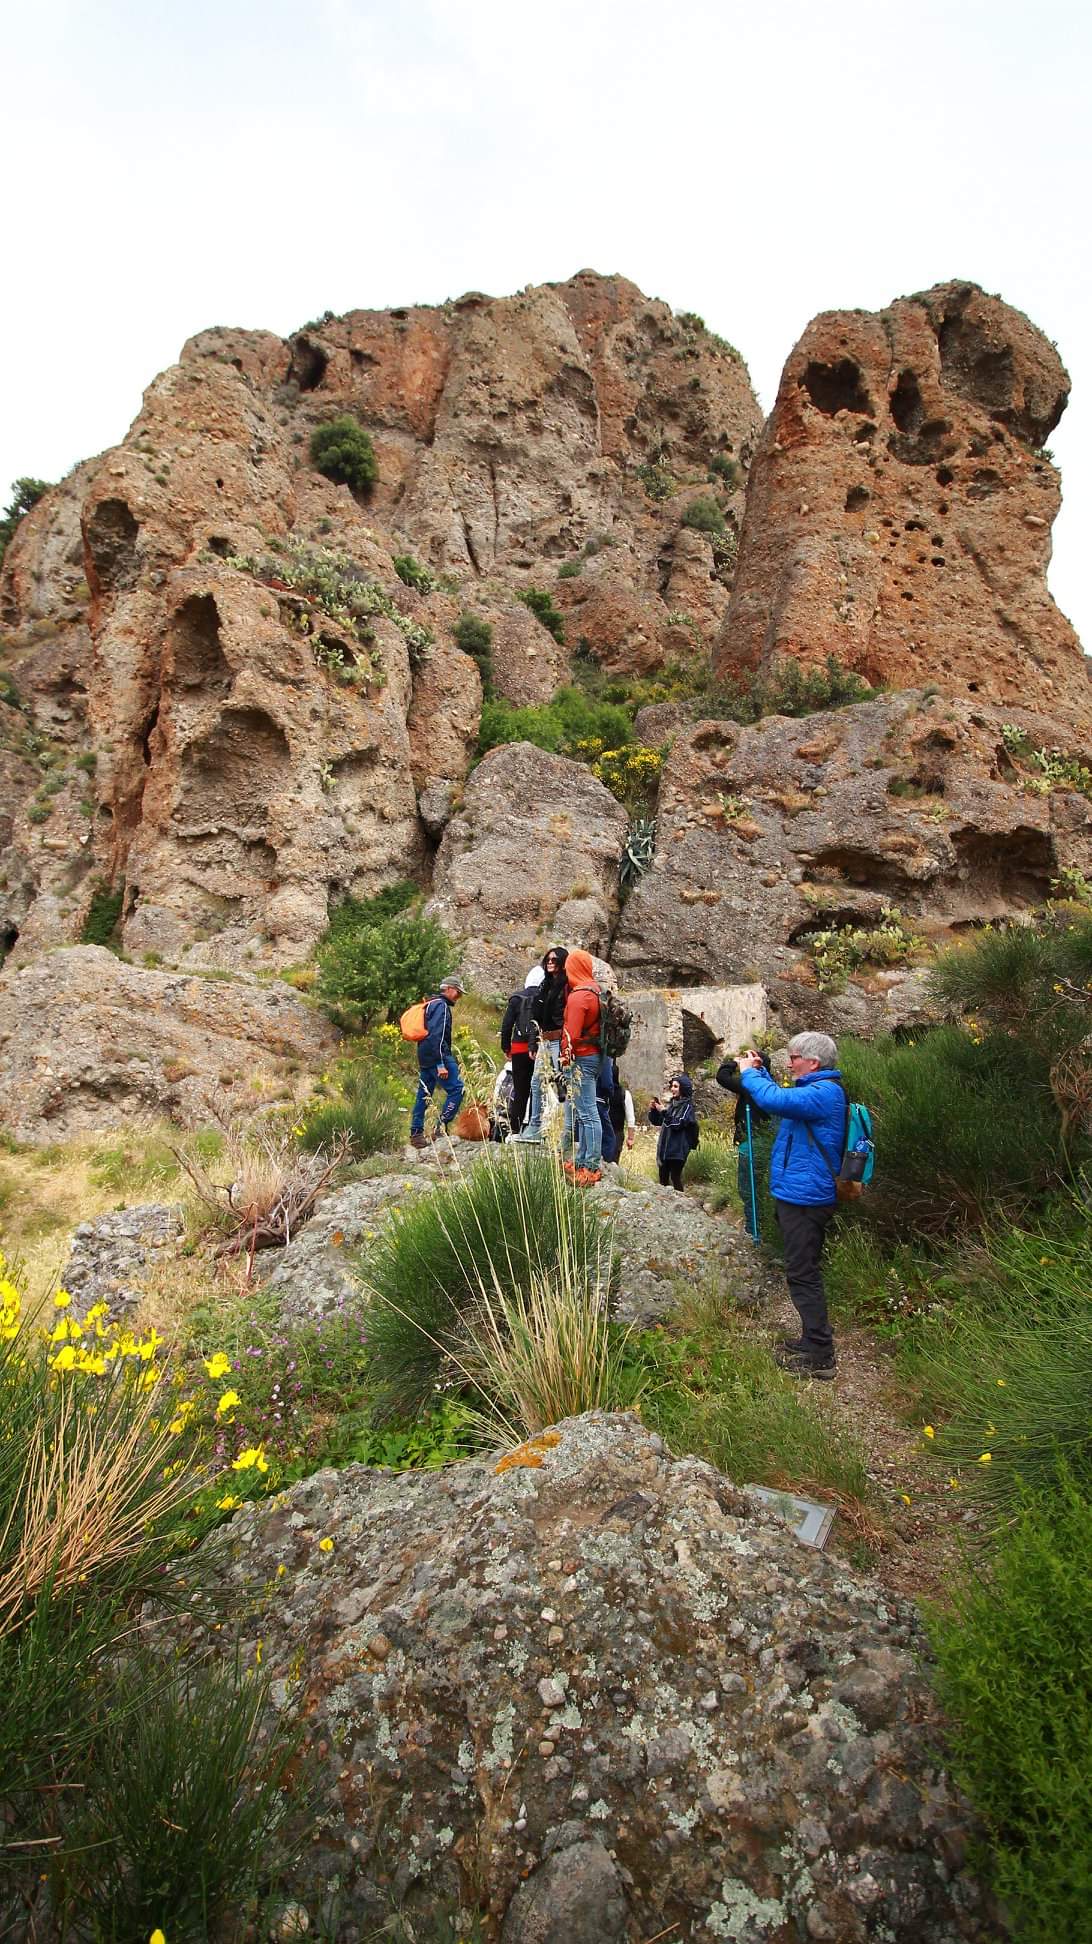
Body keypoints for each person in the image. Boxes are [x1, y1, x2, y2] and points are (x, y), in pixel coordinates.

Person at [737, 1031, 845, 1378]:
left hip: (807, 1199)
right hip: (798, 1195)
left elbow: (773, 1102)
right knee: (801, 1269)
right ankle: (811, 1340)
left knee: (803, 1273)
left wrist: (750, 1073)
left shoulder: (824, 1094)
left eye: (794, 1056)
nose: (790, 1062)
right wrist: (761, 1073)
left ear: (812, 1062)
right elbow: (780, 1097)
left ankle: (820, 1353)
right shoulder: (813, 1092)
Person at [558, 948, 603, 1184]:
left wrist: (564, 1058)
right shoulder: (597, 991)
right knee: (586, 1112)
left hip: (581, 1058)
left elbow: (571, 1034)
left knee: (587, 1114)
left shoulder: (578, 997)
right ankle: (582, 1160)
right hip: (594, 1056)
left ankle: (591, 1166)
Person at [517, 946, 568, 1143]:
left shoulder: (566, 987)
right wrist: (533, 1044)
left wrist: (565, 1045)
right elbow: (535, 1019)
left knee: (564, 1085)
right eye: (548, 959)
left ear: (562, 962)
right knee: (536, 1083)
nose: (550, 962)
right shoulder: (544, 986)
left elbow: (567, 1018)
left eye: (554, 960)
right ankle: (535, 1126)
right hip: (545, 1041)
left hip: (559, 1041)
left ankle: (567, 1132)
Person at [409, 976, 465, 1149]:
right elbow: (437, 1035)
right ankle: (440, 1128)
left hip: (425, 1054)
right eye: (458, 992)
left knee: (424, 1094)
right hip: (437, 1055)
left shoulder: (430, 1003)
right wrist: (441, 1063)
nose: (458, 996)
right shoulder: (441, 1006)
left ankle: (416, 1133)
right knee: (457, 1089)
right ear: (448, 989)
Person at [500, 965, 544, 1139]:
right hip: (539, 1049)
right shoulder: (544, 997)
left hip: (518, 1048)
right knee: (537, 1089)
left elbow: (506, 1026)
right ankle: (534, 1129)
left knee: (520, 1090)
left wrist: (506, 1047)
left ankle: (514, 1130)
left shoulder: (516, 998)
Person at [648, 1074, 699, 1190]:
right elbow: (659, 1121)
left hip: (678, 1150)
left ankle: (681, 1204)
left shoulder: (687, 1107)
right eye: (672, 1086)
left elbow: (678, 1124)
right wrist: (654, 1110)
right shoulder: (672, 1105)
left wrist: (664, 1112)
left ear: (683, 1088)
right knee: (663, 1179)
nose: (672, 1089)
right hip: (666, 1148)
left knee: (675, 1178)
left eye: (676, 1086)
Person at [608, 1068, 637, 1157]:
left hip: (606, 1132)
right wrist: (630, 1138)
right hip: (617, 1133)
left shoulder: (600, 1092)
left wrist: (631, 1137)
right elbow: (630, 1118)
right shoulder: (624, 1093)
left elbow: (630, 1118)